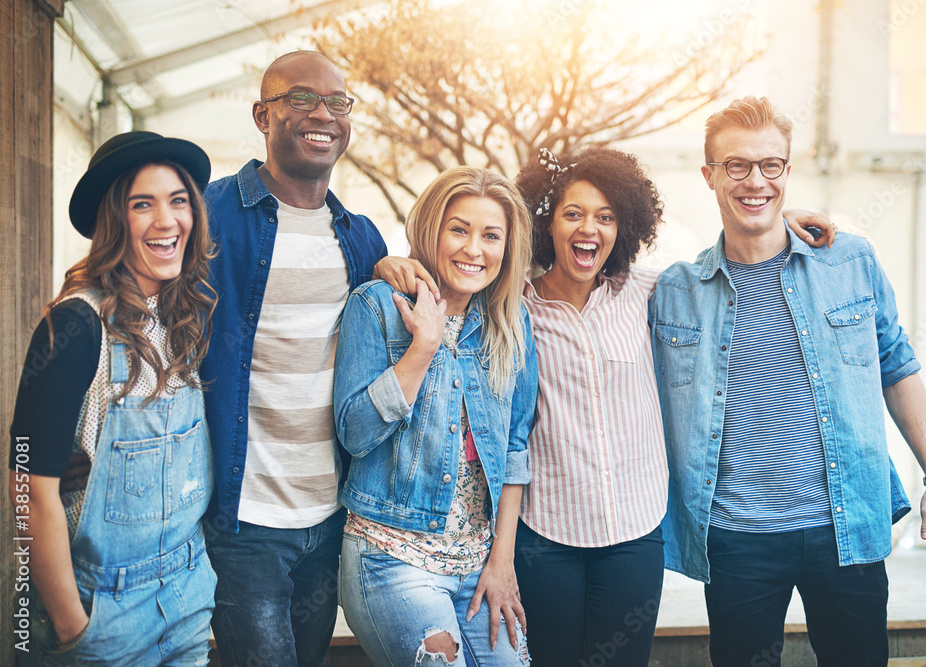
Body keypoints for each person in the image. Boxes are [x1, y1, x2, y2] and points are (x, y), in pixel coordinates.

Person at [648, 95, 926, 666]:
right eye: (736, 166)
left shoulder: (850, 262)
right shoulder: (674, 290)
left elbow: (898, 365)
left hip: (845, 525)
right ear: (709, 175)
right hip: (737, 536)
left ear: (788, 172)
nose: (755, 180)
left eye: (771, 165)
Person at [512, 147, 836, 665]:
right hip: (546, 531)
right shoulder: (515, 303)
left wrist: (774, 225)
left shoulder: (646, 291)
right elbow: (456, 267)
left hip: (634, 534)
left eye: (606, 216)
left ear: (625, 227)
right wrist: (396, 264)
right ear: (547, 222)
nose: (588, 229)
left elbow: (722, 271)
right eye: (573, 214)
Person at [199, 50, 435, 667]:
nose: (322, 114)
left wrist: (387, 270)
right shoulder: (209, 213)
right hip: (243, 518)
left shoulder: (360, 237)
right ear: (262, 114)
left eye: (337, 103)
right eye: (301, 98)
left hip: (331, 514)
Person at [8, 131, 217, 665]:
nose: (166, 221)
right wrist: (72, 625)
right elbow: (29, 487)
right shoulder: (76, 325)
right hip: (103, 612)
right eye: (141, 204)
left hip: (187, 593)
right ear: (112, 220)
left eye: (177, 200)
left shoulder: (184, 316)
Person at [334, 166, 537, 666]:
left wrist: (501, 563)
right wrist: (421, 348)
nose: (474, 249)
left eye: (491, 235)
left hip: (478, 564)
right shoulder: (378, 305)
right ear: (432, 229)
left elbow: (514, 449)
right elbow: (354, 433)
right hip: (390, 555)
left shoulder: (510, 323)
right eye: (459, 229)